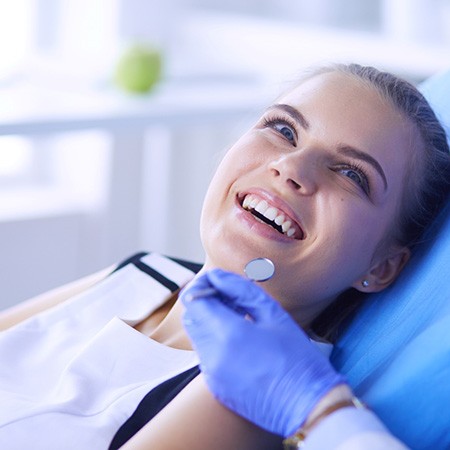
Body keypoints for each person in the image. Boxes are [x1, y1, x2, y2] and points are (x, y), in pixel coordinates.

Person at [0, 63, 449, 450]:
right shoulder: (144, 271)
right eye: (283, 129)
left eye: (351, 173)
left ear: (381, 267)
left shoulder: (246, 396)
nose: (291, 168)